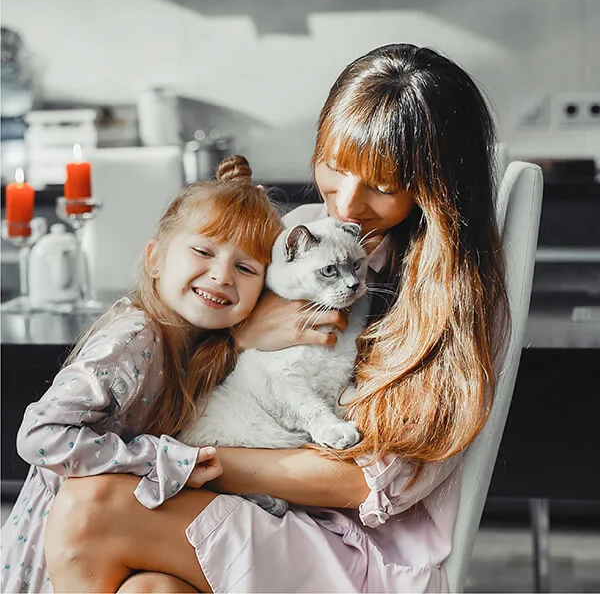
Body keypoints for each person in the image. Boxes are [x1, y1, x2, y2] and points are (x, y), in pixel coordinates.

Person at [43, 43, 510, 593]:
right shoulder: (307, 230)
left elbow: (366, 482)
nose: (347, 204)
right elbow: (196, 374)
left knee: (89, 506)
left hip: (356, 544)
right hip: (265, 502)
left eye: (382, 186)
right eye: (335, 167)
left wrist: (188, 462)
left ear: (437, 189)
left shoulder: (450, 302)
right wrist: (243, 335)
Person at [0, 155, 286, 594]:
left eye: (246, 268)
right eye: (203, 251)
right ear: (155, 259)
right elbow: (38, 434)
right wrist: (156, 458)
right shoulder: (135, 339)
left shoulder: (200, 344)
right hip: (63, 541)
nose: (221, 274)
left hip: (115, 529)